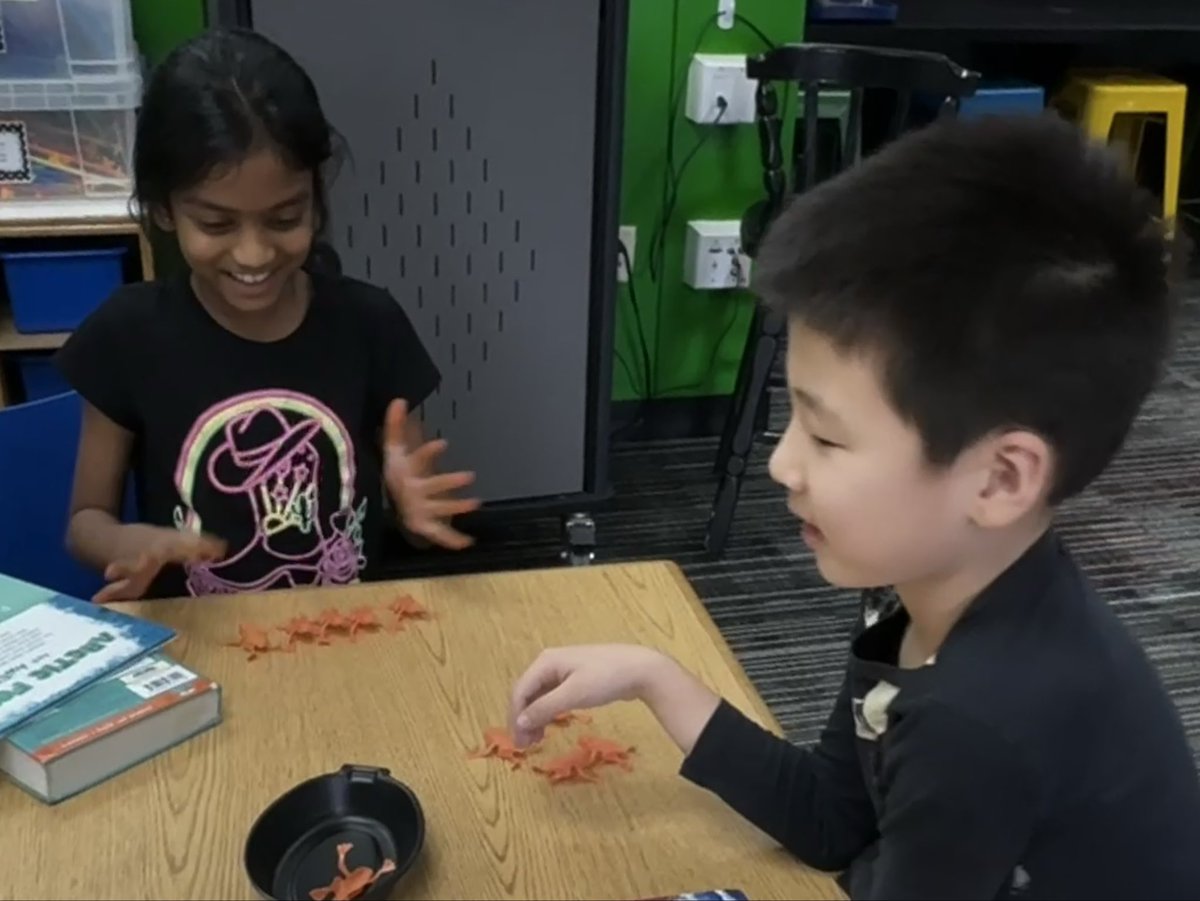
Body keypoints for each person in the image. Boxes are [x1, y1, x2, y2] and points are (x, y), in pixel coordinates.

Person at [507, 113, 1200, 899]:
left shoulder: (978, 723)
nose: (779, 462)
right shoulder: (928, 587)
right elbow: (834, 818)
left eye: (827, 437)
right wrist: (654, 676)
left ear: (1002, 479)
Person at [56, 27, 480, 602]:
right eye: (216, 224)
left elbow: (423, 524)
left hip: (345, 630)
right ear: (161, 207)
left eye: (284, 219)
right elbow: (86, 520)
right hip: (205, 642)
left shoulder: (369, 325)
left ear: (315, 197)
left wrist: (415, 513)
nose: (253, 255)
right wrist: (124, 541)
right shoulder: (127, 334)